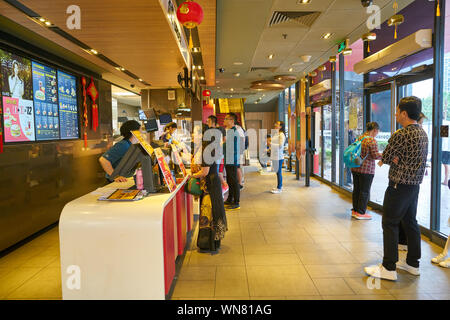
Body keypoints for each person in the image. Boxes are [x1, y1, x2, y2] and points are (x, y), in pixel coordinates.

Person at [365, 96, 428, 281]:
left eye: (397, 110)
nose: (395, 114)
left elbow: (385, 159)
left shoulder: (401, 134)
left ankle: (388, 267)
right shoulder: (422, 133)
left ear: (404, 113)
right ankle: (412, 263)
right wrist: (394, 157)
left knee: (390, 223)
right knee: (410, 222)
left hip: (398, 185)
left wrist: (393, 158)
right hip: (414, 186)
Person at [191, 124, 227, 252]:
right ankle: (213, 243)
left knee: (208, 214)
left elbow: (205, 172)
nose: (195, 136)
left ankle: (207, 243)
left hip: (210, 185)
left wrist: (192, 175)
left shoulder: (207, 149)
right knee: (213, 213)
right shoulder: (214, 147)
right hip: (214, 182)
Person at [350, 122, 382, 220]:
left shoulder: (360, 138)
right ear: (375, 130)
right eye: (377, 131)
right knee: (364, 191)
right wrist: (384, 154)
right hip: (366, 170)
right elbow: (375, 155)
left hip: (355, 167)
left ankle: (355, 210)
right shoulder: (371, 140)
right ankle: (361, 212)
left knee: (357, 190)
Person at [223, 113, 241, 210]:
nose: (224, 120)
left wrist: (221, 145)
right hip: (229, 159)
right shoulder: (230, 131)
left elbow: (230, 147)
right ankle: (230, 198)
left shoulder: (233, 132)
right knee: (230, 180)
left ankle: (236, 201)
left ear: (232, 121)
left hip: (232, 160)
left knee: (234, 181)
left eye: (226, 119)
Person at [270, 121, 286, 194]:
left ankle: (279, 188)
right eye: (275, 123)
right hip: (275, 156)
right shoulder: (277, 134)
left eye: (277, 124)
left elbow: (280, 146)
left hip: (279, 156)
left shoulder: (281, 135)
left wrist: (271, 144)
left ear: (281, 126)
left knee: (278, 172)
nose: (275, 125)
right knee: (277, 172)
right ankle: (280, 186)